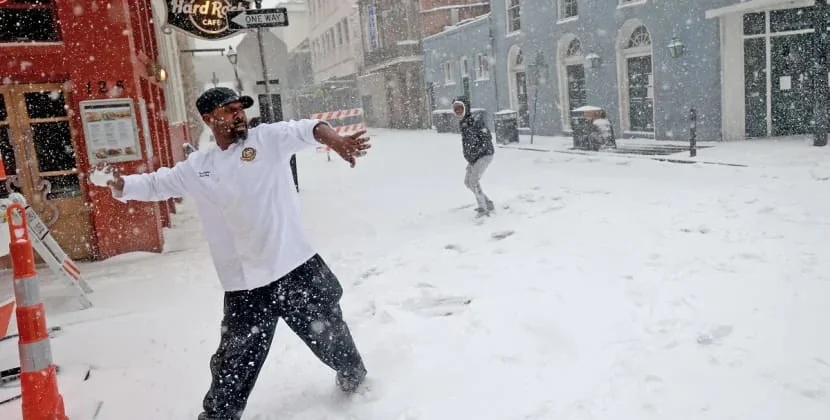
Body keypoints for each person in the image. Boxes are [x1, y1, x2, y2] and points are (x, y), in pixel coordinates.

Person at [102, 87, 370, 420]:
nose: (238, 114)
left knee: (331, 335)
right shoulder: (199, 167)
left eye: (239, 108)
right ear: (209, 119)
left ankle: (358, 386)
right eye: (228, 110)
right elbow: (160, 183)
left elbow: (307, 129)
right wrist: (121, 186)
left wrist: (334, 140)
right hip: (244, 285)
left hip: (294, 267)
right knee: (234, 362)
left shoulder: (267, 140)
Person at [452, 96, 495, 217]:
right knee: (467, 182)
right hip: (474, 158)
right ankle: (487, 203)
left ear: (466, 108)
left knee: (473, 180)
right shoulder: (464, 123)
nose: (459, 111)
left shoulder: (475, 120)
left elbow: (487, 138)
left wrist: (478, 151)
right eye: (456, 109)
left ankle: (483, 208)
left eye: (461, 108)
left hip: (484, 155)